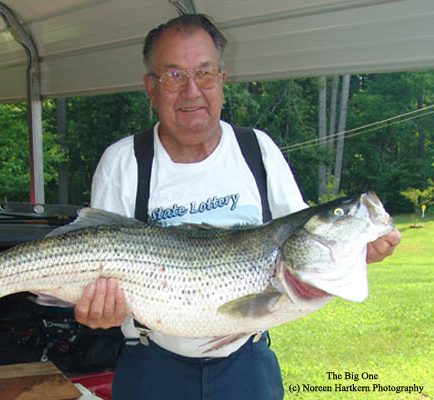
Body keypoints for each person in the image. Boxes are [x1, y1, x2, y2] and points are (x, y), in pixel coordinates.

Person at [74, 14, 402, 399]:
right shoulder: (123, 162)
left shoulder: (257, 150)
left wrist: (358, 248)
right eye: (174, 76)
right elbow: (90, 267)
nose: (192, 91)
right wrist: (94, 309)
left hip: (247, 367)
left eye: (205, 74)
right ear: (151, 87)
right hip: (152, 367)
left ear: (222, 80)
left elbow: (303, 240)